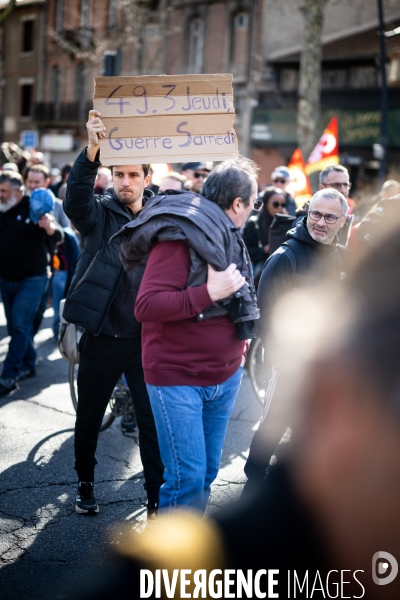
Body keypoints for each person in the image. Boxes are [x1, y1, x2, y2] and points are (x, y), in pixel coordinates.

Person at [68, 203, 400, 600]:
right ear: (330, 392)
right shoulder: (183, 570)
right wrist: (210, 297)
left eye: (333, 217)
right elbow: (156, 305)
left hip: (215, 376)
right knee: (182, 470)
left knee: (199, 470)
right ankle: (100, 486)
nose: (322, 223)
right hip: (136, 356)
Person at [118, 157, 260, 514]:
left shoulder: (226, 236)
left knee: (206, 473)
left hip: (224, 377)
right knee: (187, 480)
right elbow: (146, 306)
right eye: (253, 201)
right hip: (177, 380)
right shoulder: (179, 239)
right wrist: (208, 293)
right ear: (239, 204)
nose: (254, 209)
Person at [62, 110, 164, 517]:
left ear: (146, 178)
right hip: (102, 338)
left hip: (145, 342)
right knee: (88, 419)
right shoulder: (98, 215)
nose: (125, 181)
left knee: (152, 425)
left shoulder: (163, 218)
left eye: (133, 175)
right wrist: (91, 151)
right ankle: (85, 484)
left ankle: (156, 496)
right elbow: (74, 199)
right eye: (118, 174)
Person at [243, 187, 351, 496]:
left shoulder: (343, 256)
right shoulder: (285, 257)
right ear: (306, 213)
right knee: (276, 420)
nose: (321, 222)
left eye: (330, 217)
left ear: (342, 221)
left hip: (331, 361)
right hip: (290, 361)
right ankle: (255, 477)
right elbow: (263, 315)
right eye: (315, 214)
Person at [0, 172, 63, 395]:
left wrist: (49, 227)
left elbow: (58, 237)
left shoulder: (35, 206)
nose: (0, 195)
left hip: (33, 279)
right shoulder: (2, 209)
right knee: (16, 325)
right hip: (6, 279)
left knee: (18, 324)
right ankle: (28, 364)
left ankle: (9, 375)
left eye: (4, 191)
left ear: (18, 191)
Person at [242, 186, 287, 280]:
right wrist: (265, 250)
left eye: (283, 205)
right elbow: (245, 252)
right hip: (259, 275)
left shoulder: (285, 223)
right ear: (266, 203)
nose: (279, 208)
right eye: (275, 204)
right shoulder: (253, 224)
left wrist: (286, 221)